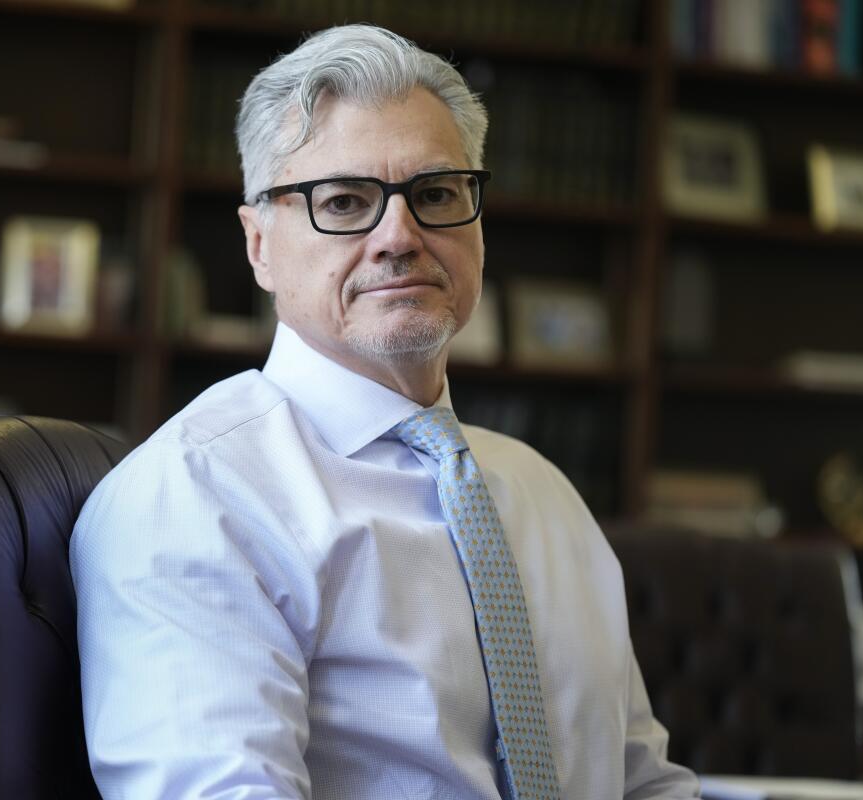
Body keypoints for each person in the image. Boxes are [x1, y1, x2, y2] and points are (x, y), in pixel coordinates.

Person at [71, 23, 700, 800]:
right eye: (343, 201)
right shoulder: (197, 498)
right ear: (258, 244)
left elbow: (643, 782)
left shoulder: (543, 494)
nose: (398, 236)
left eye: (435, 194)